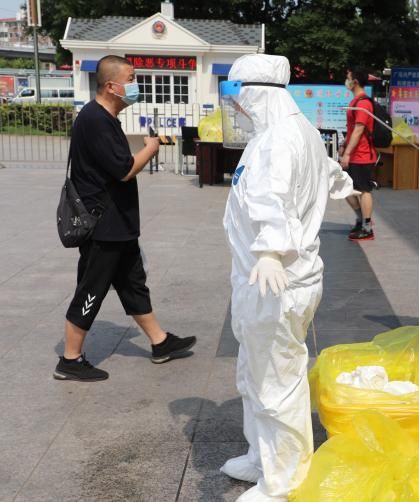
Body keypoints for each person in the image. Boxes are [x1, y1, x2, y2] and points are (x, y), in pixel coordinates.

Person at [220, 54, 353, 501]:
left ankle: (284, 482)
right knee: (254, 374)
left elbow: (270, 199)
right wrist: (341, 186)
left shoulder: (277, 139)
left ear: (256, 95)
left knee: (278, 382)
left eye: (238, 101)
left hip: (277, 279)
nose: (236, 110)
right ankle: (262, 457)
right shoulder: (296, 132)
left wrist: (270, 250)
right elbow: (331, 174)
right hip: (264, 278)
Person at [54, 55, 196, 382]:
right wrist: (151, 147)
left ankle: (160, 342)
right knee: (91, 288)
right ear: (111, 85)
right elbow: (124, 170)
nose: (136, 85)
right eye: (131, 78)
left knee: (133, 284)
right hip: (103, 226)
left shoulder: (107, 118)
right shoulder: (95, 120)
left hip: (119, 225)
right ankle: (70, 359)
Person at [339, 66, 377, 241]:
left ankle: (367, 227)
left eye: (348, 76)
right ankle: (361, 220)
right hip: (354, 153)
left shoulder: (363, 103)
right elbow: (352, 129)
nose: (346, 80)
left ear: (354, 81)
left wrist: (347, 154)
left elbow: (359, 130)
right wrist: (343, 147)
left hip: (362, 154)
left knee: (364, 190)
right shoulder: (356, 101)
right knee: (346, 189)